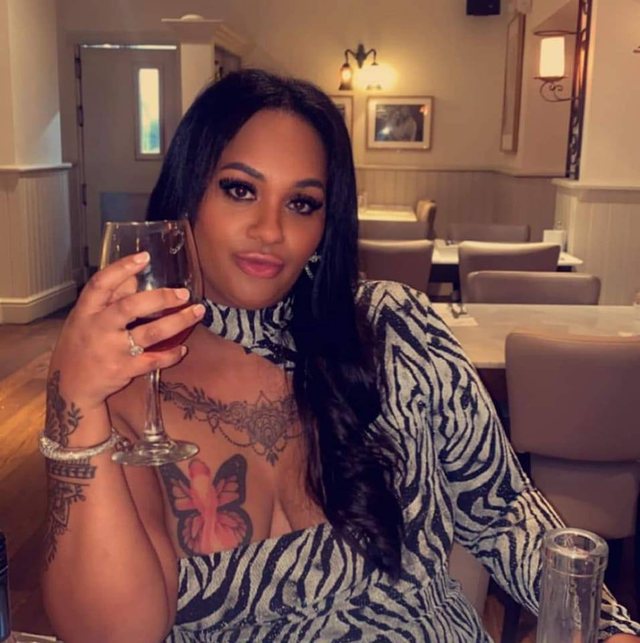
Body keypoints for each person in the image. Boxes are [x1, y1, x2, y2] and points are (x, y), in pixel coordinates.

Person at [40, 69, 640, 642]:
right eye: (240, 190)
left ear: (327, 223)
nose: (270, 229)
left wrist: (604, 625)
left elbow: (502, 509)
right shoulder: (129, 380)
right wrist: (74, 402)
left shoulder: (393, 328)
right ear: (187, 193)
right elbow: (113, 633)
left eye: (302, 203)